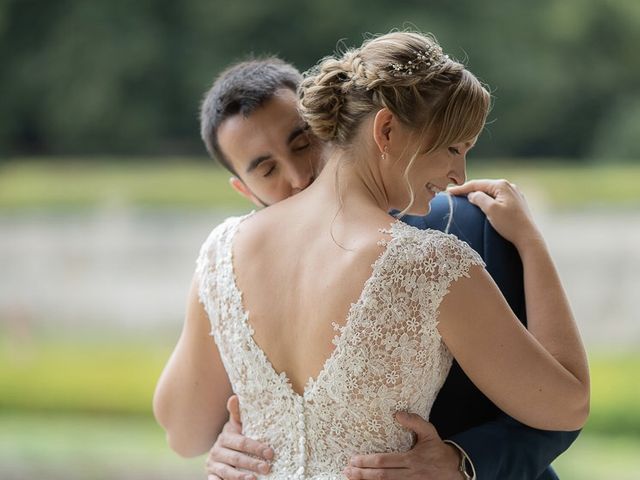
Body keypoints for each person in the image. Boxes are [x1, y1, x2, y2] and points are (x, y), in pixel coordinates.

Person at [153, 32, 589, 480]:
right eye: (453, 148)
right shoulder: (430, 265)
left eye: (302, 143)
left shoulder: (222, 250)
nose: (460, 173)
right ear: (384, 130)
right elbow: (568, 403)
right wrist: (532, 243)